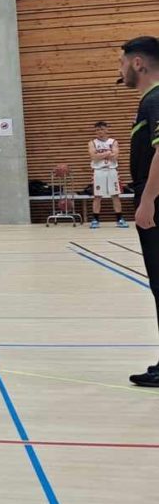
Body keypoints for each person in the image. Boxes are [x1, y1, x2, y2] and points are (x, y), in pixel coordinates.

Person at [118, 36, 159, 387]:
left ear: (137, 63)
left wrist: (148, 200)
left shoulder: (155, 99)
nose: (120, 70)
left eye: (122, 63)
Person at [89, 121, 127, 230]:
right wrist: (107, 153)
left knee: (115, 195)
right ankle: (95, 220)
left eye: (102, 129)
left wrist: (99, 155)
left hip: (112, 170)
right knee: (97, 196)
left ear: (106, 129)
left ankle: (119, 219)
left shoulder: (113, 142)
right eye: (97, 130)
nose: (100, 132)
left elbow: (115, 157)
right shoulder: (92, 143)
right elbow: (93, 157)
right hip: (98, 171)